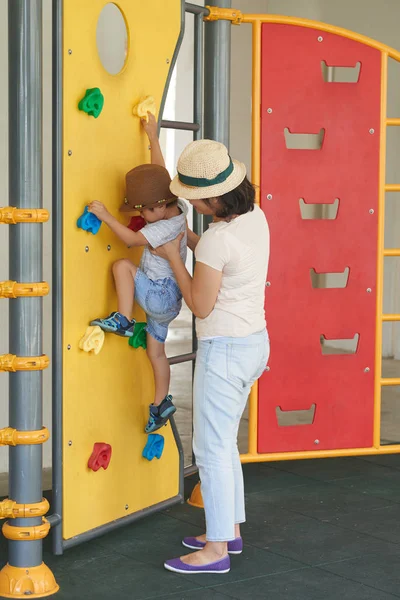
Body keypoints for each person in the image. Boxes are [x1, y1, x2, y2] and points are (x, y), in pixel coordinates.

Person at [155, 139, 270, 575]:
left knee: (211, 449)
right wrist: (191, 240)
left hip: (224, 352)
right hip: (253, 343)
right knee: (224, 445)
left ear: (215, 197)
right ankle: (229, 531)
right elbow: (225, 259)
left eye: (194, 199)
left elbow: (200, 305)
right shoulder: (254, 218)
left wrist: (173, 257)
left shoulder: (216, 242)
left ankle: (215, 550)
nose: (191, 204)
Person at [88, 115, 187, 434]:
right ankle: (160, 405)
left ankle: (124, 320)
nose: (140, 215)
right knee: (156, 352)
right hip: (171, 302)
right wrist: (153, 138)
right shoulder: (177, 206)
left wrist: (104, 216)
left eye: (143, 210)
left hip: (159, 295)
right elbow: (161, 175)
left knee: (122, 267)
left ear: (158, 208)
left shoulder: (163, 227)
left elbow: (130, 240)